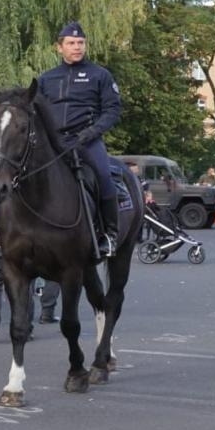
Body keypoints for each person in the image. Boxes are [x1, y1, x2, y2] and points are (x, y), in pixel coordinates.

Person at [36, 21, 123, 258]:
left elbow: (112, 110)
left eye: (81, 43)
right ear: (59, 47)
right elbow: (36, 113)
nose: (77, 47)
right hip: (54, 143)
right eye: (71, 43)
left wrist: (90, 133)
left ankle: (110, 235)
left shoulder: (100, 75)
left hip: (87, 141)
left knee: (105, 177)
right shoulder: (46, 79)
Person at [0, 197, 52, 341]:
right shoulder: (32, 182)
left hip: (0, 243)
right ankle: (25, 326)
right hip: (27, 244)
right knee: (25, 284)